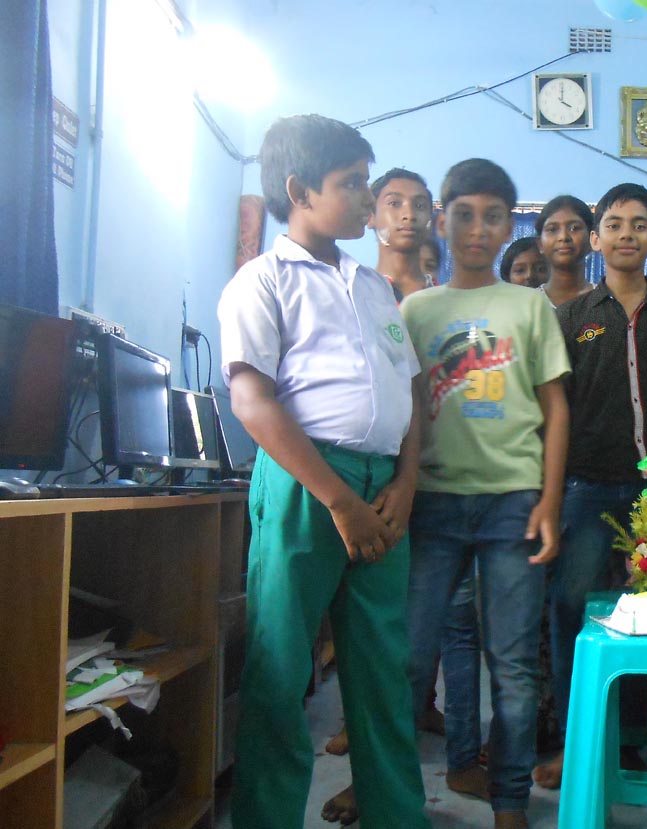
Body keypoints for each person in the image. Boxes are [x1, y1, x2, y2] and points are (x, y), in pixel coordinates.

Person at [217, 114, 429, 829]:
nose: (369, 198)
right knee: (280, 671)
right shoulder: (262, 281)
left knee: (382, 671)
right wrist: (338, 499)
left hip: (384, 488)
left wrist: (405, 482)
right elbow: (253, 401)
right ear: (298, 190)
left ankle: (398, 816)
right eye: (352, 183)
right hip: (308, 484)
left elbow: (412, 389)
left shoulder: (374, 287)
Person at [401, 158, 571, 829]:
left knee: (513, 665)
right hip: (432, 504)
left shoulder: (529, 306)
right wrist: (404, 492)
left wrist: (549, 501)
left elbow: (555, 407)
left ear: (508, 226)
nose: (478, 228)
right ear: (441, 221)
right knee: (410, 657)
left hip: (513, 504)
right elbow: (409, 410)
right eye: (465, 214)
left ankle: (509, 802)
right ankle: (388, 787)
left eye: (493, 216)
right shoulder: (417, 310)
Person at [320, 166, 482, 827]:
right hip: (376, 487)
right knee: (380, 643)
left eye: (419, 203)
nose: (407, 214)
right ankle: (371, 780)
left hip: (447, 484)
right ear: (371, 212)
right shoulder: (353, 290)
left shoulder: (449, 302)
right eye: (393, 202)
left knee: (456, 630)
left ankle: (462, 757)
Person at [535, 182, 647, 791]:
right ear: (596, 238)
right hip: (585, 486)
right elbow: (555, 410)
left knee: (645, 612)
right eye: (614, 223)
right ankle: (575, 741)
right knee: (571, 608)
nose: (626, 233)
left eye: (639, 224)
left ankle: (628, 740)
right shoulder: (571, 318)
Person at [369, 168, 436, 298]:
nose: (409, 215)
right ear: (371, 217)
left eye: (420, 206)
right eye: (394, 203)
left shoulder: (447, 299)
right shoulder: (355, 294)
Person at [535, 194, 595, 307]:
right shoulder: (527, 305)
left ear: (592, 239)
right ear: (540, 244)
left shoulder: (608, 302)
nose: (563, 237)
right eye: (552, 229)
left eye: (574, 228)